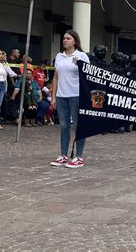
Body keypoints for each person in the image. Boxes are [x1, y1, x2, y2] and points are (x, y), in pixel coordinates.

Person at [50, 30, 90, 168]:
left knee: (78, 126)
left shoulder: (81, 56)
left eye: (68, 38)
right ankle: (63, 154)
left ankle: (79, 156)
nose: (65, 40)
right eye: (64, 38)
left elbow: (88, 77)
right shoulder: (59, 56)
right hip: (62, 96)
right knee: (64, 126)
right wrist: (53, 96)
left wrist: (78, 65)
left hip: (76, 95)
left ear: (75, 41)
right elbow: (56, 77)